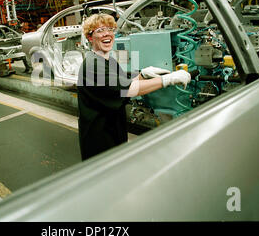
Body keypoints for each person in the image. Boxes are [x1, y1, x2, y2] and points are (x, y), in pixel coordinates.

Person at [77, 13, 191, 160]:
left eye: (110, 29)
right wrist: (168, 80)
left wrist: (143, 74)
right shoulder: (93, 65)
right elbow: (127, 90)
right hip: (100, 142)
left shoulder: (107, 61)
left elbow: (122, 83)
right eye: (99, 30)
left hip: (113, 133)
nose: (107, 34)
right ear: (90, 37)